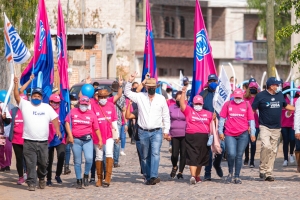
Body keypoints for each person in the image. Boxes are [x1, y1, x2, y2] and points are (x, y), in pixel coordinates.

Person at [13, 77, 62, 191]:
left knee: (43, 163)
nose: (36, 97)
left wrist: (57, 130)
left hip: (43, 142)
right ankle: (31, 183)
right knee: (30, 164)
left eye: (38, 96)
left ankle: (42, 177)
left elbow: (54, 119)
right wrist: (16, 85)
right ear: (31, 97)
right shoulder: (25, 104)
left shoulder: (46, 107)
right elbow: (16, 96)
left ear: (41, 97)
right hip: (29, 141)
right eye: (34, 96)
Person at [125, 72, 170, 185]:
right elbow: (127, 93)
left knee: (155, 153)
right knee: (145, 156)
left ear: (156, 87)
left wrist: (166, 130)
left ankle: (154, 175)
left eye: (153, 87)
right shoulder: (140, 97)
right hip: (143, 132)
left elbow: (166, 116)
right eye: (149, 87)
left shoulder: (161, 99)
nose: (151, 88)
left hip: (157, 131)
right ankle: (147, 176)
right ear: (146, 87)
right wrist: (130, 81)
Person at [252, 77, 295, 181]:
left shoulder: (280, 95)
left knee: (273, 150)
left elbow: (286, 106)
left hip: (277, 127)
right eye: (277, 85)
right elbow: (253, 109)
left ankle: (268, 173)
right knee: (266, 146)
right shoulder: (260, 96)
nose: (278, 86)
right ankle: (262, 168)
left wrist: (296, 108)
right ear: (271, 86)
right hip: (265, 126)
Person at [65, 96, 102, 189]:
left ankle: (86, 174)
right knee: (77, 161)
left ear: (88, 104)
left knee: (89, 158)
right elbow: (67, 123)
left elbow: (96, 128)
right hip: (76, 140)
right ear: (79, 103)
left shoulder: (91, 114)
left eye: (85, 105)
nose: (83, 106)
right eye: (82, 104)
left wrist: (100, 139)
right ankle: (78, 180)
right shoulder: (73, 111)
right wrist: (69, 135)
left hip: (87, 140)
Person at [219, 88, 255, 184]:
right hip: (229, 133)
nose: (238, 99)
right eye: (236, 97)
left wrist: (253, 133)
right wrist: (220, 131)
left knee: (239, 155)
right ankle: (230, 172)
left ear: (242, 96)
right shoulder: (227, 104)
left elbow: (251, 120)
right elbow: (222, 118)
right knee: (231, 154)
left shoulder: (247, 105)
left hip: (243, 133)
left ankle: (237, 176)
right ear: (233, 96)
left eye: (239, 97)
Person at [180, 87, 213, 184]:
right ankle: (193, 176)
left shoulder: (208, 113)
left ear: (202, 104)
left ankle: (198, 176)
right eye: (196, 104)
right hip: (191, 137)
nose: (198, 105)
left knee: (201, 158)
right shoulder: (189, 111)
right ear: (193, 104)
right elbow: (182, 105)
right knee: (193, 156)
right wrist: (183, 93)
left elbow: (213, 123)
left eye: (199, 104)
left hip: (204, 138)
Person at [91, 89, 119, 187]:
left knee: (109, 153)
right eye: (101, 97)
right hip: (97, 136)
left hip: (109, 135)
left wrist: (117, 135)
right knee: (98, 156)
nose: (103, 99)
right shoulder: (93, 107)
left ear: (107, 97)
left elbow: (114, 120)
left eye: (105, 97)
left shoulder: (111, 106)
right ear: (97, 98)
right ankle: (99, 178)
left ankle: (107, 177)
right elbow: (92, 122)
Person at [200, 74, 224, 181]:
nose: (213, 82)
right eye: (211, 81)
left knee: (222, 148)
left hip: (220, 126)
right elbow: (197, 109)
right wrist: (209, 116)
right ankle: (207, 172)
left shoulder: (222, 95)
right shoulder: (203, 94)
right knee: (208, 150)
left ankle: (217, 164)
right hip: (206, 126)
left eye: (215, 80)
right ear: (208, 82)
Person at [46, 94, 66, 186]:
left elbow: (66, 122)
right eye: (55, 102)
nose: (57, 104)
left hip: (60, 138)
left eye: (58, 103)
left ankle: (58, 175)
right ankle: (48, 178)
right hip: (48, 138)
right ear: (50, 102)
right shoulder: (46, 110)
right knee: (49, 160)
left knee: (61, 156)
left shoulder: (62, 111)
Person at [8, 94, 28, 184]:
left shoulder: (29, 111)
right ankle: (20, 176)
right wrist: (4, 118)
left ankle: (28, 173)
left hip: (27, 139)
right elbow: (8, 122)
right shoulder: (13, 111)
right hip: (16, 140)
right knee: (19, 159)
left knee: (28, 159)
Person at [125, 99, 145, 178]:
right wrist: (129, 105)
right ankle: (145, 172)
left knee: (150, 154)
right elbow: (128, 116)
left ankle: (150, 172)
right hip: (139, 135)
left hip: (149, 135)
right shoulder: (138, 111)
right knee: (142, 155)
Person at [169, 91, 186, 179]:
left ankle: (180, 172)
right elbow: (167, 120)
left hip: (185, 134)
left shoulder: (187, 107)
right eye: (178, 99)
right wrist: (168, 133)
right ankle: (175, 166)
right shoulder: (171, 108)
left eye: (181, 99)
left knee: (183, 154)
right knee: (174, 154)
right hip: (174, 134)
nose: (179, 100)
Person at [243, 81, 260, 167]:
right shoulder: (244, 98)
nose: (253, 90)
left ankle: (252, 160)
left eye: (255, 88)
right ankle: (246, 157)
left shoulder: (259, 98)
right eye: (251, 88)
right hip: (246, 123)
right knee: (246, 142)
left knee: (253, 142)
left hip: (256, 123)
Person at [281, 82, 296, 166]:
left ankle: (291, 154)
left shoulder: (293, 98)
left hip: (292, 123)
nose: (287, 90)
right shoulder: (282, 99)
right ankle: (285, 159)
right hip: (283, 123)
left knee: (292, 139)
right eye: (286, 88)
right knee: (285, 141)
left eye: (288, 88)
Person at [0, 96, 12, 172]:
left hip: (3, 131)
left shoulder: (2, 105)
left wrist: (4, 118)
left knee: (7, 149)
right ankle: (2, 165)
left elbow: (8, 120)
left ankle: (7, 165)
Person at [293, 95, 300, 172]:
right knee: (298, 147)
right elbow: (297, 114)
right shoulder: (299, 100)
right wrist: (297, 130)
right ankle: (299, 164)